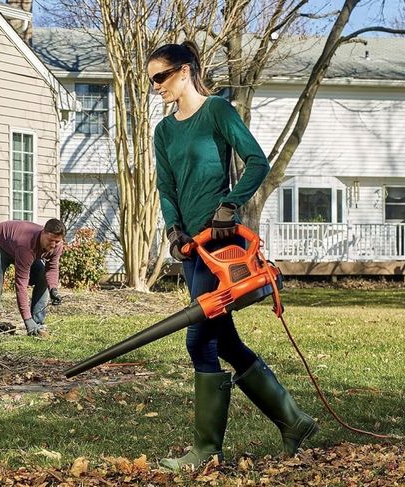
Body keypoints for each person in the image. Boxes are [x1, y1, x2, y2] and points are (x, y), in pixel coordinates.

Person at [148, 41, 318, 470]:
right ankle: (294, 420)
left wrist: (230, 204)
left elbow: (256, 162)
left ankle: (206, 451)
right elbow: (166, 187)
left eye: (160, 77)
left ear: (184, 71)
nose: (156, 87)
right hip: (191, 250)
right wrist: (173, 229)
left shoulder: (218, 112)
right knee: (224, 338)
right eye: (151, 80)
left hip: (222, 245)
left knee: (199, 338)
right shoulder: (164, 131)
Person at [0, 218, 65, 337]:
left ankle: (37, 324)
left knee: (43, 276)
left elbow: (52, 268)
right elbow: (21, 285)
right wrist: (27, 320)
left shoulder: (57, 246)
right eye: (50, 240)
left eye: (57, 241)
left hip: (15, 244)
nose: (53, 245)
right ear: (43, 233)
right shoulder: (26, 245)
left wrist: (53, 289)